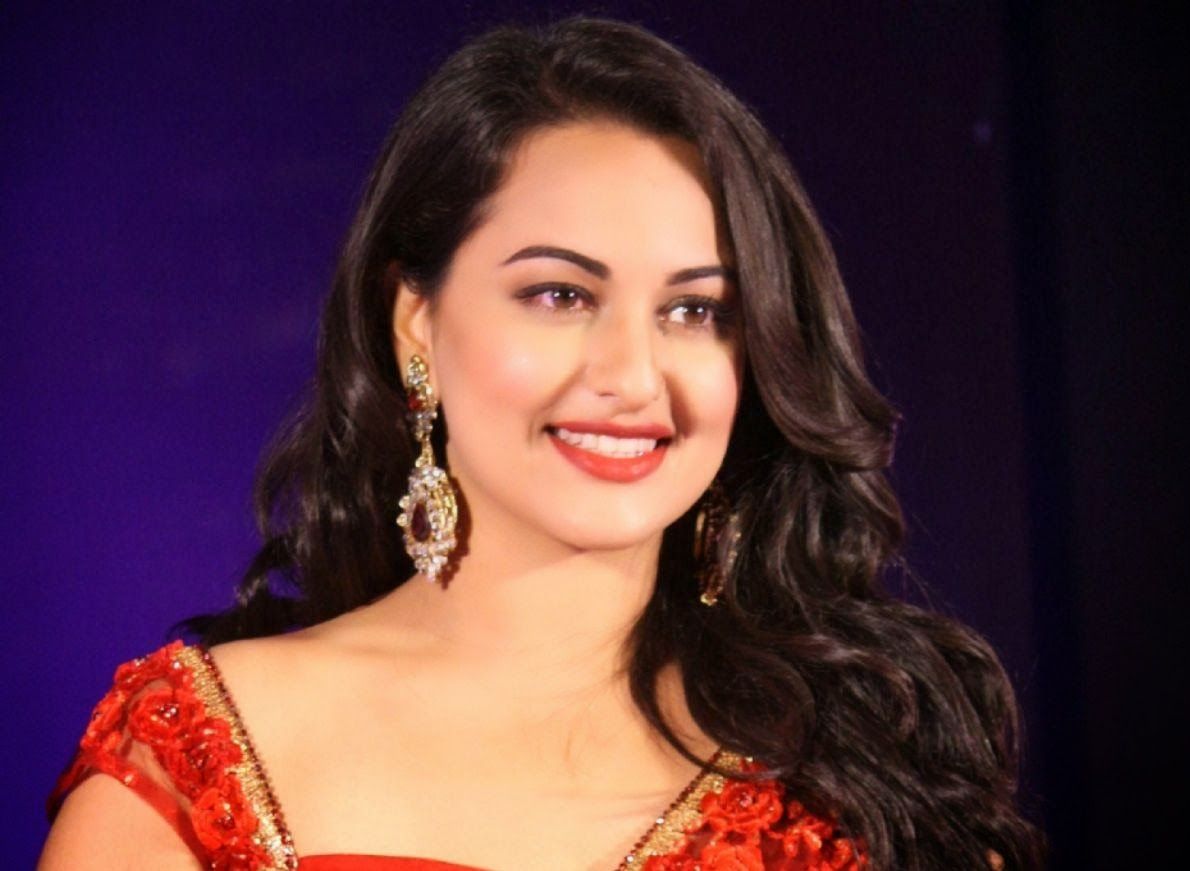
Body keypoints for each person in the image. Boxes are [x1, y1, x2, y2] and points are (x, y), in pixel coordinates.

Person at [39, 15, 1043, 871]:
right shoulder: (200, 753)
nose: (633, 375)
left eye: (695, 311)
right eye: (560, 295)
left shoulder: (862, 778)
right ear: (415, 321)